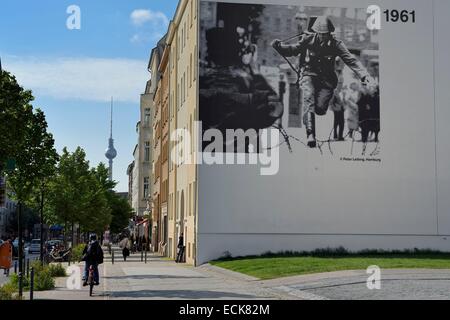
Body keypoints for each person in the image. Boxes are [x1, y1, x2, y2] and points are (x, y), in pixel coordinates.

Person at [272, 16, 376, 148]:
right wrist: (279, 47)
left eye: (325, 34)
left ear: (329, 33)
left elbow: (351, 60)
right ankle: (310, 134)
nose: (322, 37)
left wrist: (364, 76)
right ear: (316, 32)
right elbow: (293, 50)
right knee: (308, 98)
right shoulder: (307, 39)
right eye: (320, 34)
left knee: (320, 109)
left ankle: (312, 111)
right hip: (308, 74)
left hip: (326, 81)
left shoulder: (336, 44)